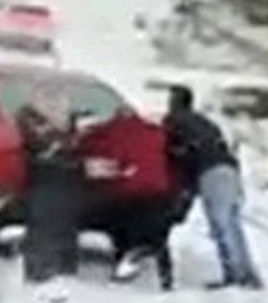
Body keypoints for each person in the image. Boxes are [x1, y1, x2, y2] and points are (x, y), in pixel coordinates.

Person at [78, 111, 192, 291]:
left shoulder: (111, 132)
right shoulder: (157, 133)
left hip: (130, 199)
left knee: (114, 214)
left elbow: (86, 147)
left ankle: (124, 256)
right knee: (153, 231)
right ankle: (160, 271)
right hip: (161, 201)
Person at [164, 85, 262, 290]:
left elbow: (176, 155)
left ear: (175, 103)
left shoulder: (174, 121)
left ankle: (235, 275)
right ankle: (246, 272)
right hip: (229, 168)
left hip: (210, 172)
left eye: (171, 100)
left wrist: (181, 191)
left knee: (221, 225)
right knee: (232, 223)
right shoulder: (205, 122)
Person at [16, 87, 83, 288]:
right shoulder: (30, 121)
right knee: (44, 222)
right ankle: (39, 268)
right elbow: (38, 148)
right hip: (45, 178)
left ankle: (62, 266)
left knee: (60, 220)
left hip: (59, 179)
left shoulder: (58, 124)